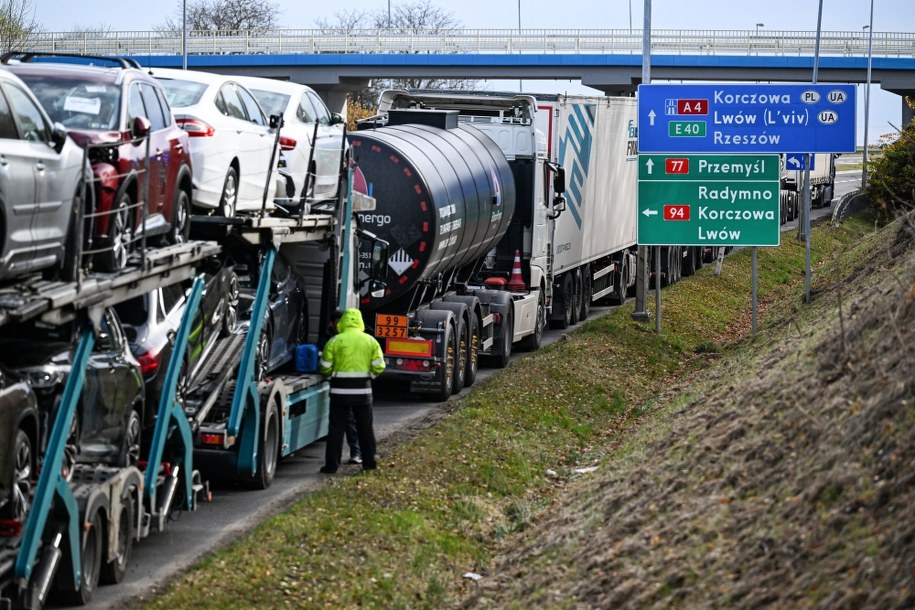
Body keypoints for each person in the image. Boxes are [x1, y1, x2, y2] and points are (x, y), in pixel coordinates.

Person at [319, 308, 385, 473]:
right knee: (365, 428)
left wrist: (331, 375)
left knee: (336, 429)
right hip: (362, 392)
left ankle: (332, 466)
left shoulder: (335, 341)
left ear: (342, 322)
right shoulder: (370, 341)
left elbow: (325, 367)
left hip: (339, 392)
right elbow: (380, 366)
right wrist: (369, 376)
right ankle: (369, 464)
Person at [326, 309, 361, 465]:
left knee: (348, 422)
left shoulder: (336, 340)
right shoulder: (330, 339)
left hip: (343, 388)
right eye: (337, 322)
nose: (340, 325)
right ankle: (348, 455)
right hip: (348, 388)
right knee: (342, 424)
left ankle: (355, 453)